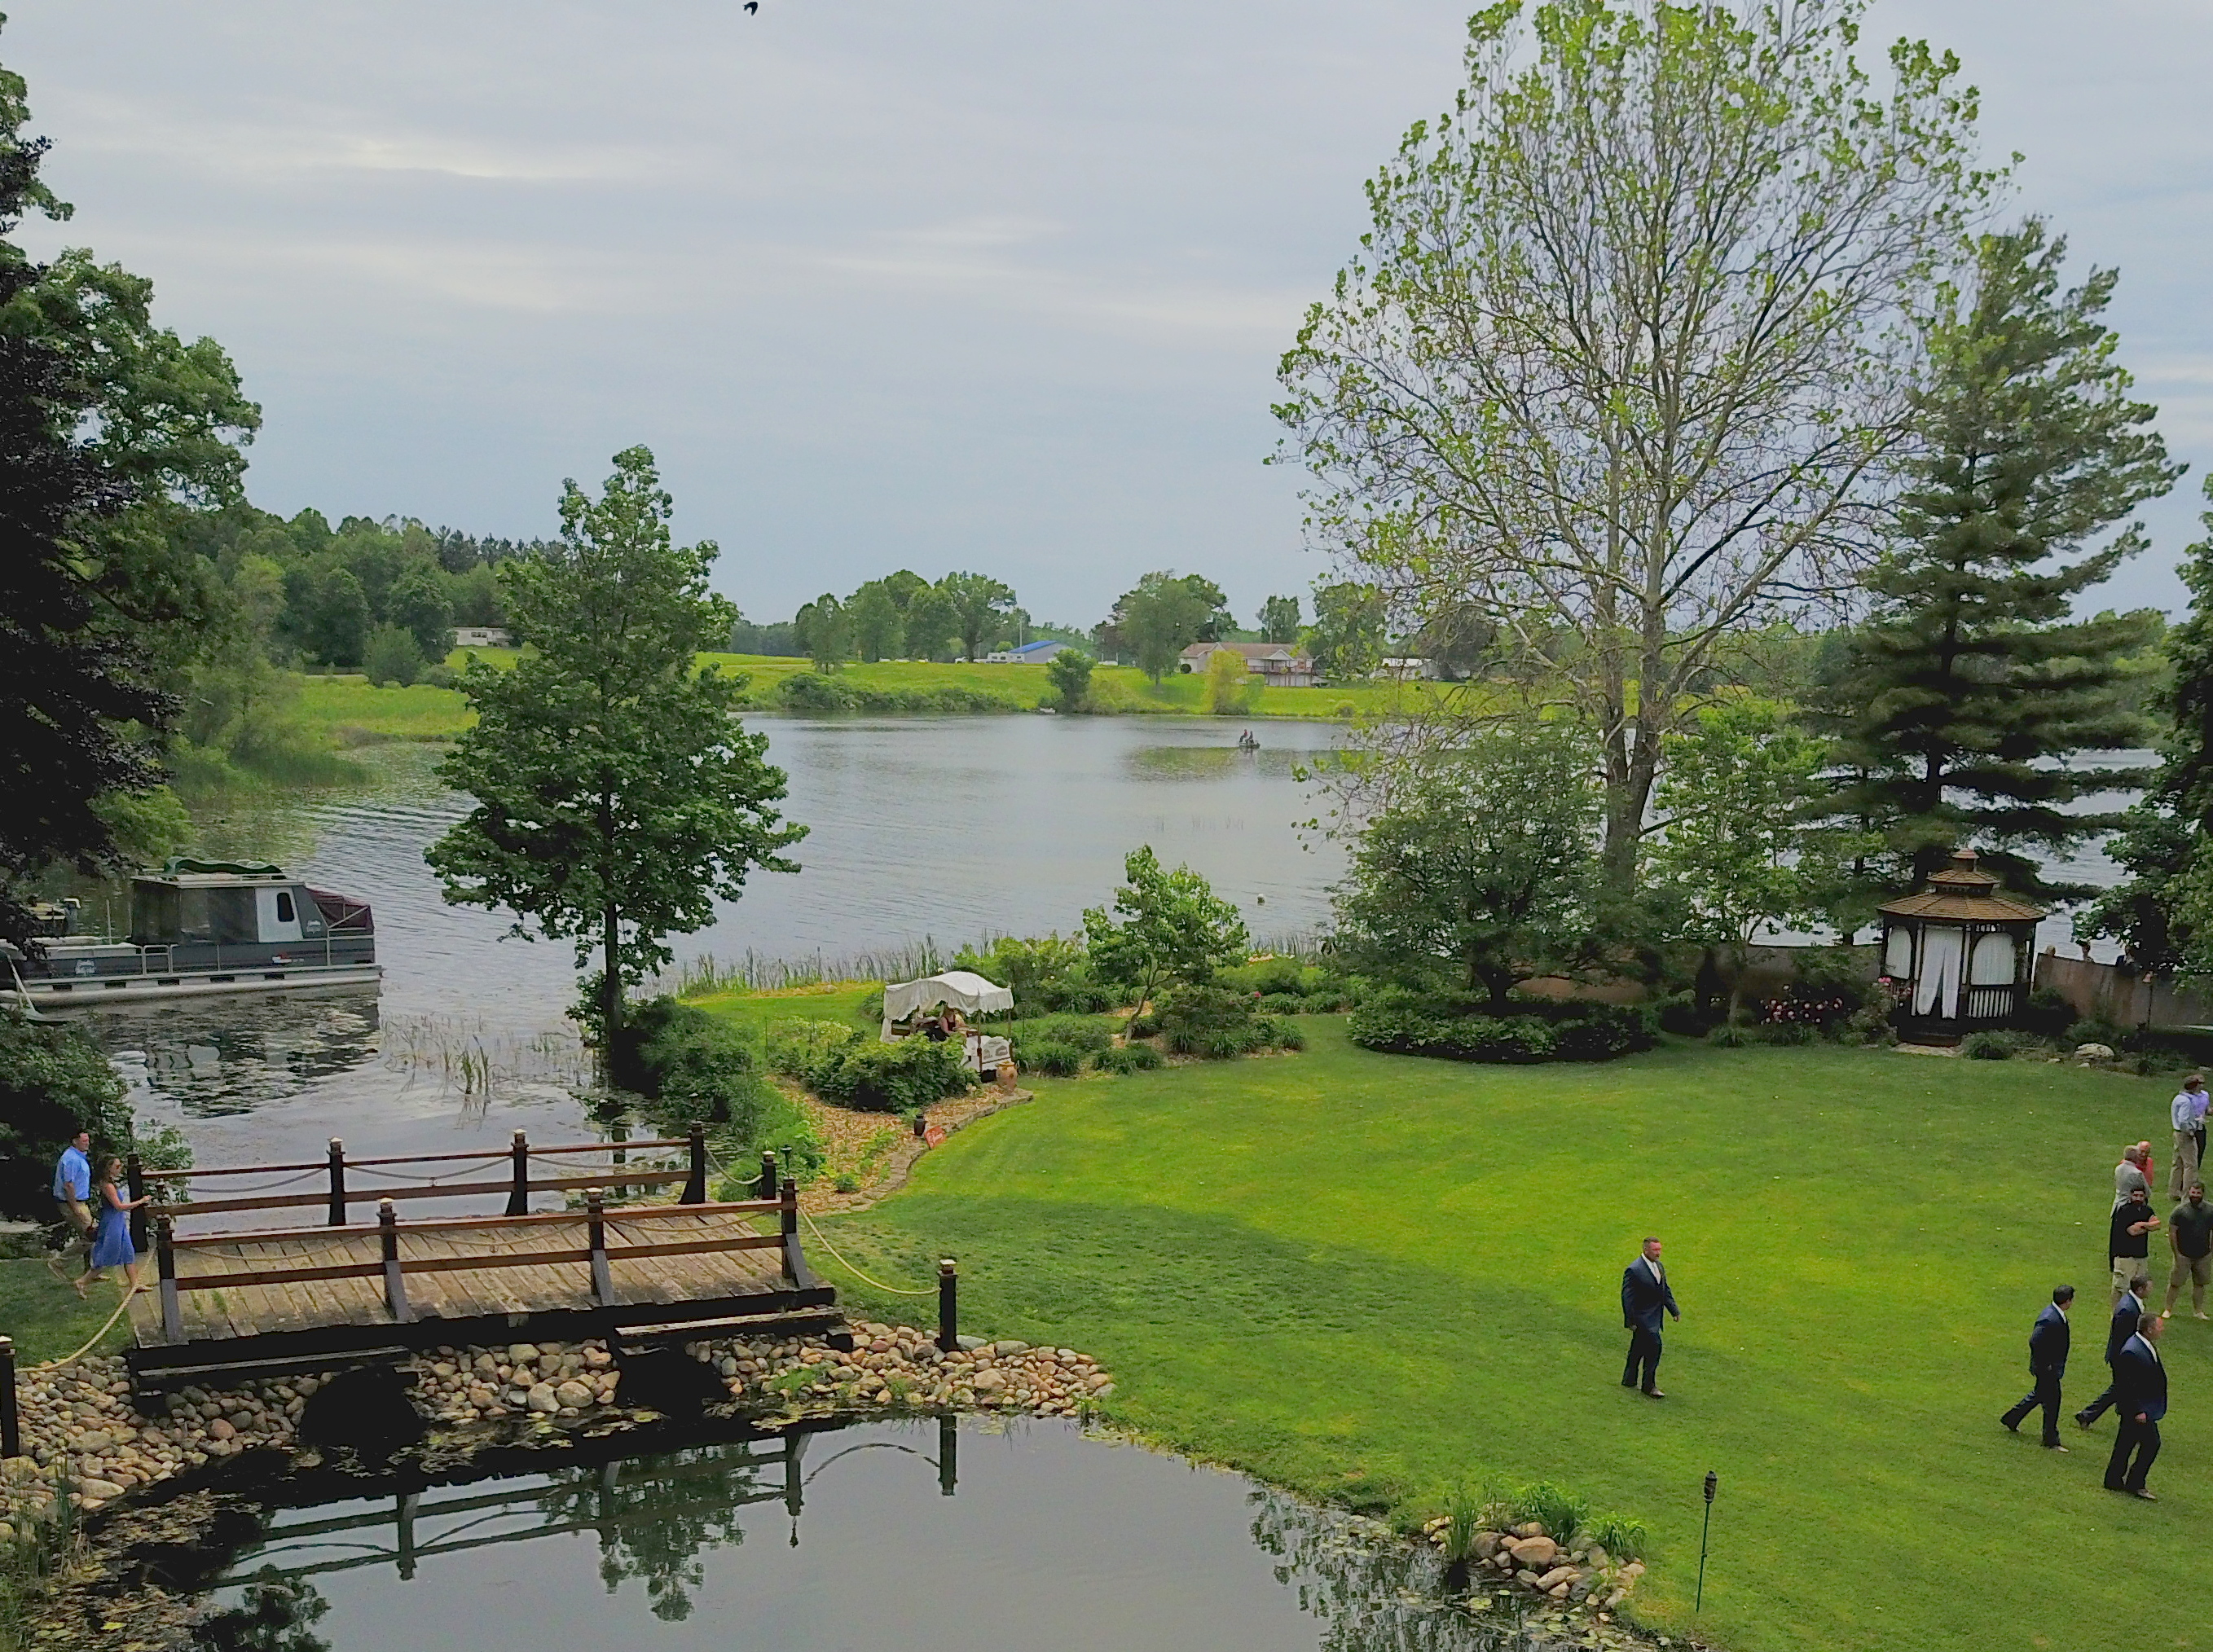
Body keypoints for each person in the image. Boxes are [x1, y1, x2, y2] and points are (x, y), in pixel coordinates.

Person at [2001, 1285, 2074, 1449]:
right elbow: (2035, 1341)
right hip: (2047, 1370)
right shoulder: (2050, 1318)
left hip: (2048, 1369)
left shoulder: (2054, 1314)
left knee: (2039, 1395)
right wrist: (2046, 1365)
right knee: (2053, 1402)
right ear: (2067, 1301)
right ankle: (2051, 1440)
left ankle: (2011, 1418)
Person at [2105, 1310, 2168, 1500]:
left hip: (2140, 1407)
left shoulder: (2144, 1345)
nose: (2161, 1330)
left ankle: (2113, 1479)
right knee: (2152, 1443)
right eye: (2159, 1326)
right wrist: (2138, 1410)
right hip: (2138, 1410)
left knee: (2125, 1443)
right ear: (2149, 1329)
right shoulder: (2133, 1351)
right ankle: (2136, 1483)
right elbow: (2126, 1386)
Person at [2076, 1272, 2150, 1429]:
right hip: (2122, 1358)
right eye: (2149, 1288)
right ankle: (2087, 1415)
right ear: (2140, 1290)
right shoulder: (2128, 1309)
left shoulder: (2132, 1303)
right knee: (2120, 1389)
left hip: (2123, 1356)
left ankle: (2090, 1415)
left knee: (2120, 1389)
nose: (2151, 1291)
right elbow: (2121, 1338)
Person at [76, 1157, 147, 1296]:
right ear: (108, 1168)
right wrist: (141, 1201)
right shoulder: (107, 1185)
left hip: (118, 1221)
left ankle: (135, 1284)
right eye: (117, 1166)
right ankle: (82, 1281)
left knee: (128, 1251)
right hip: (112, 1222)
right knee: (108, 1253)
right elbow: (119, 1206)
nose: (120, 1168)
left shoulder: (111, 1182)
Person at [1619, 1236, 1680, 1398]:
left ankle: (1629, 1379)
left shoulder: (1658, 1266)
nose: (1658, 1253)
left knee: (1638, 1348)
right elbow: (1627, 1298)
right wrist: (1630, 1321)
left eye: (1659, 1249)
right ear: (1646, 1250)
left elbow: (1664, 1290)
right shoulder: (1634, 1270)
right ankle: (1649, 1386)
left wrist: (1674, 1310)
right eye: (1655, 1250)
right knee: (1655, 1348)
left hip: (1653, 1317)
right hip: (1643, 1319)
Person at [2165, 1181, 2213, 1320]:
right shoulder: (2179, 1211)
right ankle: (2168, 1309)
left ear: (2203, 1194)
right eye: (2193, 1192)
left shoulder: (2210, 1210)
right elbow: (2173, 1232)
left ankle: (2198, 1311)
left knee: (2200, 1284)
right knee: (2175, 1283)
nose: (2195, 1195)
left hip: (2203, 1254)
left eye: (2198, 1193)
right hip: (2183, 1254)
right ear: (2189, 1192)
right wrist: (2176, 1253)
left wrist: (2211, 1252)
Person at [49, 1128, 93, 1278]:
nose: (87, 1143)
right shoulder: (71, 1159)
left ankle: (90, 1270)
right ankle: (58, 1263)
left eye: (88, 1140)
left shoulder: (79, 1156)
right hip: (71, 1203)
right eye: (84, 1140)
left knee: (89, 1236)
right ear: (75, 1141)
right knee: (90, 1236)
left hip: (81, 1202)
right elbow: (68, 1185)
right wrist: (75, 1208)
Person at [2109, 1185, 2160, 1305]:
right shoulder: (2124, 1210)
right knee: (2123, 1288)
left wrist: (2142, 1224)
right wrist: (2149, 1226)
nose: (2138, 1198)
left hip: (2141, 1256)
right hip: (2125, 1256)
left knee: (2141, 1289)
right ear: (2130, 1196)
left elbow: (2157, 1225)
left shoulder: (2147, 1210)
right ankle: (2118, 1315)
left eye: (2141, 1196)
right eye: (2135, 1195)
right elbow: (2132, 1231)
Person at [2174, 1079, 2208, 1201]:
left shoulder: (2178, 1097)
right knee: (2191, 1165)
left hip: (2177, 1133)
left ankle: (2174, 1191)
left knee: (2177, 1162)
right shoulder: (2187, 1101)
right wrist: (2190, 1131)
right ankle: (2187, 1195)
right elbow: (2183, 1121)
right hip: (2185, 1134)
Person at [2117, 1143, 2153, 1208]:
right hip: (2132, 1206)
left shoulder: (2118, 1169)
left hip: (2118, 1204)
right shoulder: (2137, 1173)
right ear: (2135, 1157)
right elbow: (2147, 1192)